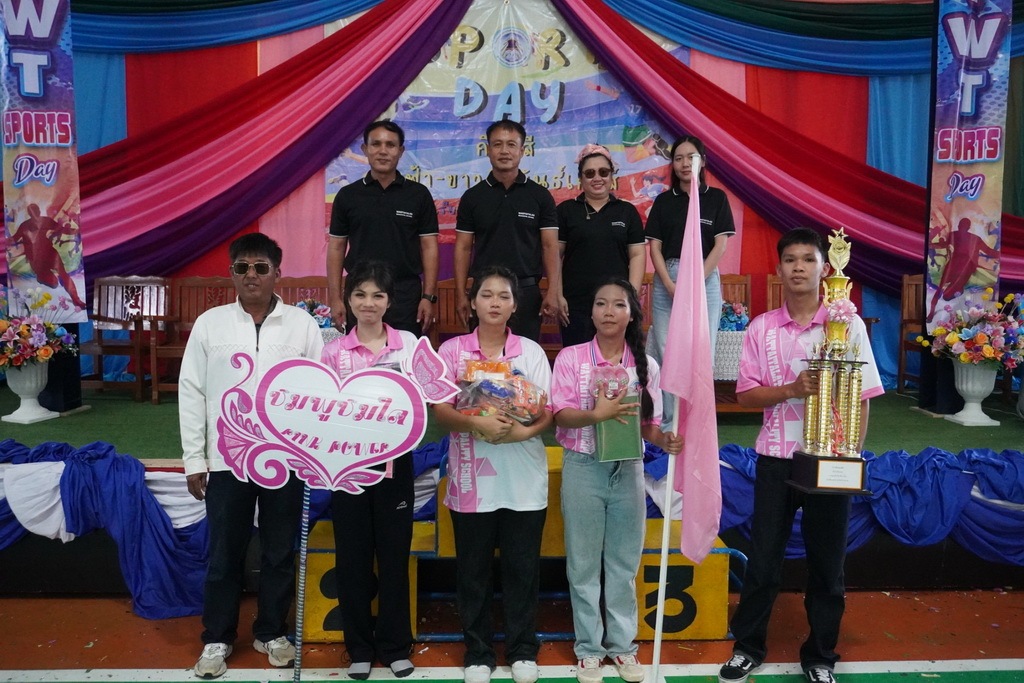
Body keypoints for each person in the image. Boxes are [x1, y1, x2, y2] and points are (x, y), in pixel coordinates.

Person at [717, 228, 883, 683]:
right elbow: (745, 395)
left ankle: (821, 655)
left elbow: (863, 395)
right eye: (790, 259)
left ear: (825, 268)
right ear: (779, 269)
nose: (798, 268)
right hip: (776, 458)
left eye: (808, 260)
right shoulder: (761, 328)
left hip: (830, 463)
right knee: (764, 559)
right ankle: (747, 648)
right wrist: (791, 389)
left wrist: (850, 455)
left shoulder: (847, 325)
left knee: (828, 564)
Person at [181, 233, 324, 679]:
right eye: (242, 267)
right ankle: (217, 638)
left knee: (279, 551)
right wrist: (194, 459)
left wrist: (311, 454)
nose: (251, 275)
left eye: (261, 267)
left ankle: (271, 632)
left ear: (277, 272)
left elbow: (319, 393)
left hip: (286, 460)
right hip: (227, 460)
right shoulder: (210, 325)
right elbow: (191, 391)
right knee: (225, 553)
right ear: (232, 273)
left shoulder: (302, 326)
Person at [550, 278, 682, 683]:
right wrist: (596, 415)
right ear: (590, 313)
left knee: (623, 564)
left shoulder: (646, 366)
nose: (609, 311)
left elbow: (648, 426)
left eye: (619, 304)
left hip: (629, 470)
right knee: (583, 564)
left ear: (631, 314)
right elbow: (560, 414)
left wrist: (664, 439)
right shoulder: (571, 358)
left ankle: (623, 646)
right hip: (583, 466)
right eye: (601, 304)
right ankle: (589, 650)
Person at [432, 265, 554, 683]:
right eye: (486, 295)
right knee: (473, 571)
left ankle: (522, 650)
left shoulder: (530, 352)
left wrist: (524, 432)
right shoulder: (453, 351)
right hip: (471, 481)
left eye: (504, 296)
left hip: (524, 480)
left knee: (522, 570)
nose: (495, 303)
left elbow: (548, 411)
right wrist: (476, 424)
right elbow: (440, 410)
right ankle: (478, 653)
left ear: (515, 305)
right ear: (472, 302)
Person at [320, 261, 417, 680]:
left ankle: (395, 646)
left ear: (389, 301)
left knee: (394, 557)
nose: (369, 303)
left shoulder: (408, 344)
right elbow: (320, 409)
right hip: (347, 468)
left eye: (378, 295)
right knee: (353, 557)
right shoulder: (332, 352)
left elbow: (423, 399)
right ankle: (359, 647)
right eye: (360, 294)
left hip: (395, 465)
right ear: (349, 300)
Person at [328, 120, 440, 336]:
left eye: (390, 145)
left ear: (401, 151)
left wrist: (428, 297)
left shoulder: (418, 195)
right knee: (360, 352)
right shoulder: (347, 196)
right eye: (376, 144)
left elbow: (429, 247)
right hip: (361, 293)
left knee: (405, 352)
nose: (383, 151)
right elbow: (336, 247)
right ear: (365, 149)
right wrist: (335, 298)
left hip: (405, 294)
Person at [453, 120, 560, 342]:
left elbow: (550, 246)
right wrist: (461, 293)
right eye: (497, 144)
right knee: (483, 355)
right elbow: (463, 248)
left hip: (526, 293)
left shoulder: (540, 196)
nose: (504, 151)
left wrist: (553, 291)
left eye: (511, 144)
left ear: (522, 150)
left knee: (525, 355)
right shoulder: (473, 197)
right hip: (484, 292)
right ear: (488, 149)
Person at [646, 135, 735, 364]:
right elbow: (655, 248)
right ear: (673, 164)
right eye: (678, 159)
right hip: (668, 278)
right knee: (668, 354)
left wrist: (695, 282)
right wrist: (669, 285)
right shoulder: (663, 201)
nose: (685, 164)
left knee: (703, 352)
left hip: (705, 277)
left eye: (691, 157)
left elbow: (720, 245)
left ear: (702, 161)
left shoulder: (716, 198)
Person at [555, 145, 646, 347]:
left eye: (603, 172)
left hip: (616, 304)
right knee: (577, 359)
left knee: (615, 359)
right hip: (575, 304)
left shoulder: (627, 212)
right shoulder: (566, 211)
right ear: (580, 179)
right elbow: (555, 255)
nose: (597, 178)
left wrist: (630, 296)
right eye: (590, 173)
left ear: (611, 176)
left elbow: (637, 255)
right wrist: (557, 294)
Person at [11, 203, 87, 309]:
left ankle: (76, 300)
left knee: (64, 274)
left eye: (36, 211)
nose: (35, 215)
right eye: (32, 213)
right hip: (36, 259)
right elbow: (14, 239)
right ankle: (42, 277)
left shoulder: (46, 220)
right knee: (53, 283)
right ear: (29, 214)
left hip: (50, 253)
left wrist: (74, 231)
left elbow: (61, 229)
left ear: (39, 211)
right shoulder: (24, 225)